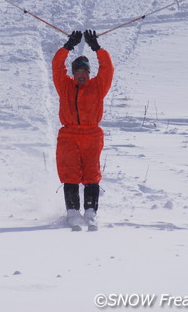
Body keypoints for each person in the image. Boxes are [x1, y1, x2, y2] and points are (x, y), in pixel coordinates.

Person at [52, 29, 114, 230]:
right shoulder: (64, 86)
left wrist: (97, 48)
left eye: (84, 72)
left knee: (91, 173)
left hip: (92, 135)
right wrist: (67, 46)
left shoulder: (98, 87)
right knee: (69, 172)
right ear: (72, 74)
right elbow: (56, 66)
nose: (80, 75)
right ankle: (72, 212)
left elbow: (107, 69)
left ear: (89, 73)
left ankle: (90, 212)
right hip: (69, 135)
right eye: (77, 72)